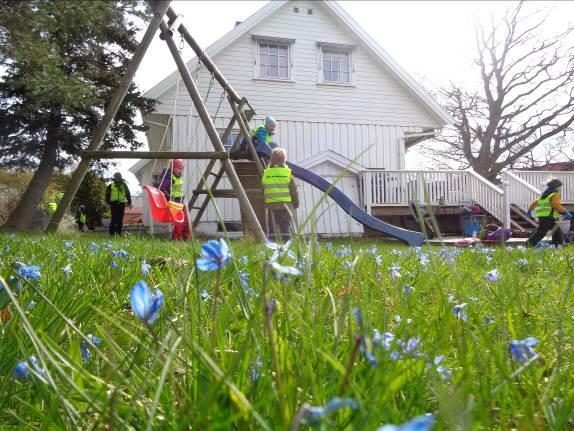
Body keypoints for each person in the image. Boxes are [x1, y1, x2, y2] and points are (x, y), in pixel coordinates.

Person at [261, 147, 299, 242]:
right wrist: (296, 203)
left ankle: (273, 243)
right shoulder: (287, 173)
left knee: (272, 225)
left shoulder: (266, 173)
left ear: (271, 159)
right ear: (284, 160)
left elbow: (263, 188)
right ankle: (286, 243)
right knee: (285, 226)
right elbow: (294, 190)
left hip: (271, 205)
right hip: (285, 206)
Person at [526, 177, 572, 246]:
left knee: (556, 231)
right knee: (542, 232)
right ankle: (529, 244)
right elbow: (555, 204)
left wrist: (530, 210)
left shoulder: (544, 195)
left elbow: (535, 202)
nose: (560, 188)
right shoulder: (555, 194)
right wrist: (565, 212)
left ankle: (557, 244)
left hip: (543, 216)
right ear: (556, 186)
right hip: (549, 217)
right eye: (560, 187)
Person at [159, 159, 190, 241]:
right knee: (179, 222)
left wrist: (183, 200)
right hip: (175, 201)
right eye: (179, 168)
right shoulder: (170, 178)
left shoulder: (178, 177)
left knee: (186, 221)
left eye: (182, 169)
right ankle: (176, 239)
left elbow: (180, 190)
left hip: (181, 200)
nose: (181, 171)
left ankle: (185, 238)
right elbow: (162, 188)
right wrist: (169, 197)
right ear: (173, 168)